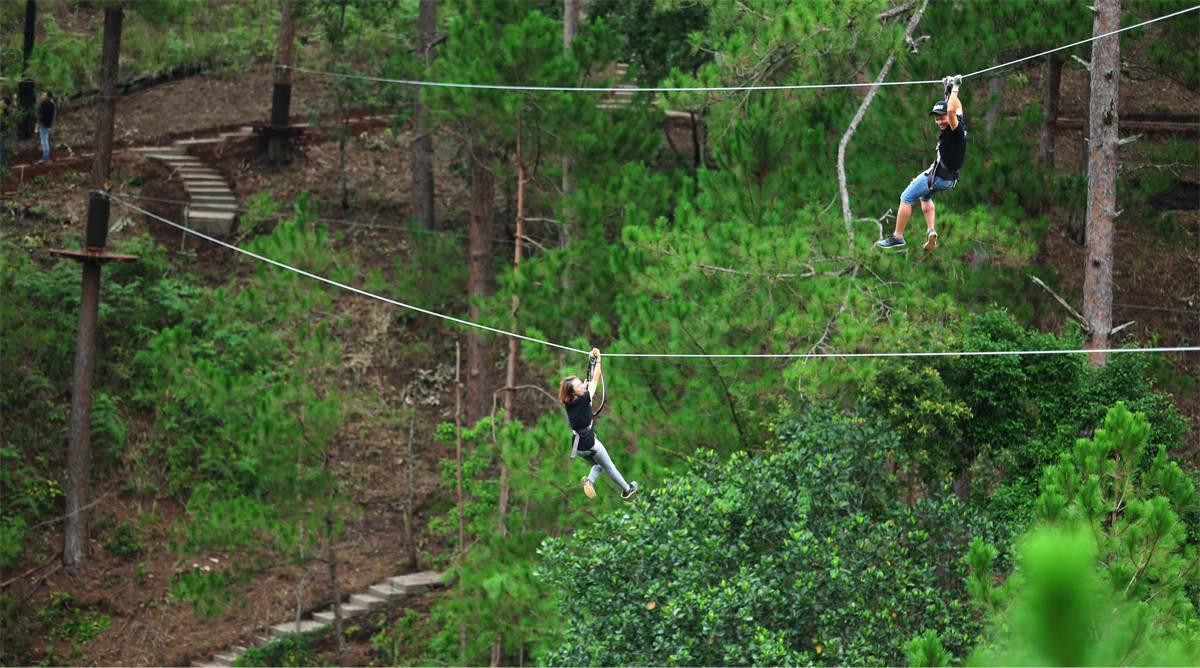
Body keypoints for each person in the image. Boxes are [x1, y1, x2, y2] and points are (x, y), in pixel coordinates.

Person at [877, 75, 968, 251]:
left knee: (906, 197)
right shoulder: (960, 125)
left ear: (949, 119)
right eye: (936, 118)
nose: (939, 121)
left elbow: (950, 111)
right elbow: (955, 106)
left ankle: (897, 236)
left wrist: (955, 87)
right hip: (949, 179)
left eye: (942, 118)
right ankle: (931, 231)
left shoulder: (954, 131)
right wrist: (947, 89)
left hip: (939, 177)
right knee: (925, 197)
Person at [559, 348, 638, 500]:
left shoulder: (570, 402)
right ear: (574, 393)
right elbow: (595, 379)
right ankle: (627, 489)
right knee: (609, 467)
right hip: (590, 444)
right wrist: (599, 359)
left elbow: (588, 381)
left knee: (598, 465)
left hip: (579, 447)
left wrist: (591, 361)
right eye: (579, 386)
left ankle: (590, 480)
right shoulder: (583, 399)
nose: (583, 384)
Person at [36, 90, 56, 162]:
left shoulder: (43, 104)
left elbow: (41, 115)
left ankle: (45, 157)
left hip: (43, 124)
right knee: (45, 140)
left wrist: (39, 123)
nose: (42, 96)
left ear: (47, 96)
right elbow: (53, 116)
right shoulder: (52, 104)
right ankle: (46, 155)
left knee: (44, 141)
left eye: (44, 95)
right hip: (48, 125)